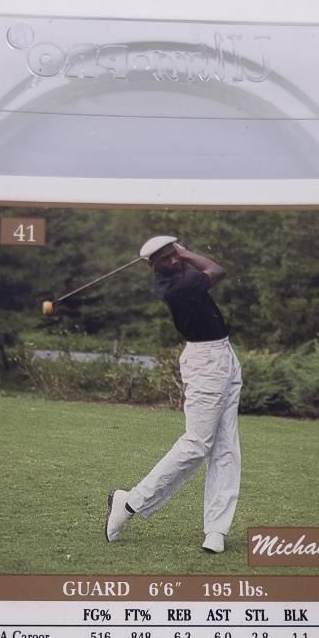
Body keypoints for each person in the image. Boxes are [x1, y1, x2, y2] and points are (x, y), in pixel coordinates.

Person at [105, 235, 242, 553]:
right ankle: (130, 502)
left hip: (223, 356)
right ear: (153, 266)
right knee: (197, 444)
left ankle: (216, 530)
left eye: (173, 254)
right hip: (206, 362)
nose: (173, 260)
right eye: (165, 258)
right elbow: (216, 270)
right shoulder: (177, 286)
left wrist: (178, 254)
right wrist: (186, 252)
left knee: (226, 448)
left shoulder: (179, 276)